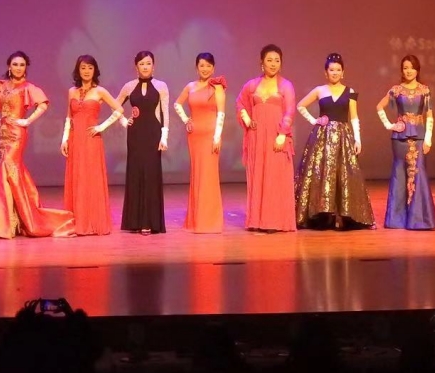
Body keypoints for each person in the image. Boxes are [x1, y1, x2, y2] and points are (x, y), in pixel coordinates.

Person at [0, 51, 74, 238]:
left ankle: (5, 223)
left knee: (8, 169)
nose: (18, 68)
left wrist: (27, 121)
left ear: (26, 68)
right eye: (15, 64)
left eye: (22, 65)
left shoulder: (28, 87)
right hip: (3, 133)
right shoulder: (2, 86)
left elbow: (43, 104)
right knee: (11, 172)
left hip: (17, 134)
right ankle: (14, 219)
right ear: (9, 66)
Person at [294, 52, 375, 230]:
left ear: (343, 72)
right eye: (332, 70)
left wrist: (358, 140)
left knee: (344, 175)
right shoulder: (319, 90)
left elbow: (354, 117)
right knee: (322, 174)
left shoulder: (350, 92)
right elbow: (300, 105)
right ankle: (322, 215)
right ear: (326, 72)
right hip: (322, 139)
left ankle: (345, 215)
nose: (335, 73)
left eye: (338, 70)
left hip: (343, 138)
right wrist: (314, 121)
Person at [235, 44, 297, 232]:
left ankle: (274, 221)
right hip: (257, 137)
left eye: (277, 60)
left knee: (275, 177)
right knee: (258, 176)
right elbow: (240, 103)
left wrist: (282, 134)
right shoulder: (252, 85)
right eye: (269, 60)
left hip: (276, 136)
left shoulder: (285, 85)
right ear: (261, 62)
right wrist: (247, 119)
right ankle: (257, 220)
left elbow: (290, 111)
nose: (273, 64)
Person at [61, 55, 123, 236]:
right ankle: (78, 220)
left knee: (91, 178)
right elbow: (69, 117)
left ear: (95, 70)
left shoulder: (100, 91)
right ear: (78, 70)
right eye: (83, 67)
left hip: (91, 140)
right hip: (75, 139)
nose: (86, 71)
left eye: (90, 67)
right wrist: (64, 139)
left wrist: (101, 127)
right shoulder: (72, 91)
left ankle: (92, 222)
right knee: (77, 178)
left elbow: (119, 109)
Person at [377, 55, 435, 230]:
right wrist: (390, 125)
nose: (408, 71)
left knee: (418, 173)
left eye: (412, 67)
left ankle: (420, 220)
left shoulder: (424, 90)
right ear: (401, 70)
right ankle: (397, 220)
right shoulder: (396, 90)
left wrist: (428, 138)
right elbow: (379, 107)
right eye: (405, 68)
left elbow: (429, 116)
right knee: (399, 173)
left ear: (417, 69)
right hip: (399, 138)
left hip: (419, 136)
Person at [112, 51, 170, 235]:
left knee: (151, 175)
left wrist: (164, 136)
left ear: (154, 65)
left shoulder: (161, 86)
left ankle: (149, 222)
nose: (145, 67)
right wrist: (123, 121)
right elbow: (114, 104)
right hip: (135, 135)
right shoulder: (129, 86)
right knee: (136, 173)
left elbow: (165, 112)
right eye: (142, 64)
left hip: (153, 133)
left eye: (148, 63)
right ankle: (135, 221)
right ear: (136, 66)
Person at [173, 52, 226, 233]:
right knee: (197, 175)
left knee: (208, 176)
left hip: (210, 136)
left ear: (213, 68)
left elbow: (221, 113)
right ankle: (196, 220)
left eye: (209, 66)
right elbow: (177, 104)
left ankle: (209, 221)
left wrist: (217, 137)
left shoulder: (217, 87)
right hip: (194, 136)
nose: (205, 69)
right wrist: (186, 120)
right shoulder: (190, 86)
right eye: (202, 65)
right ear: (196, 67)